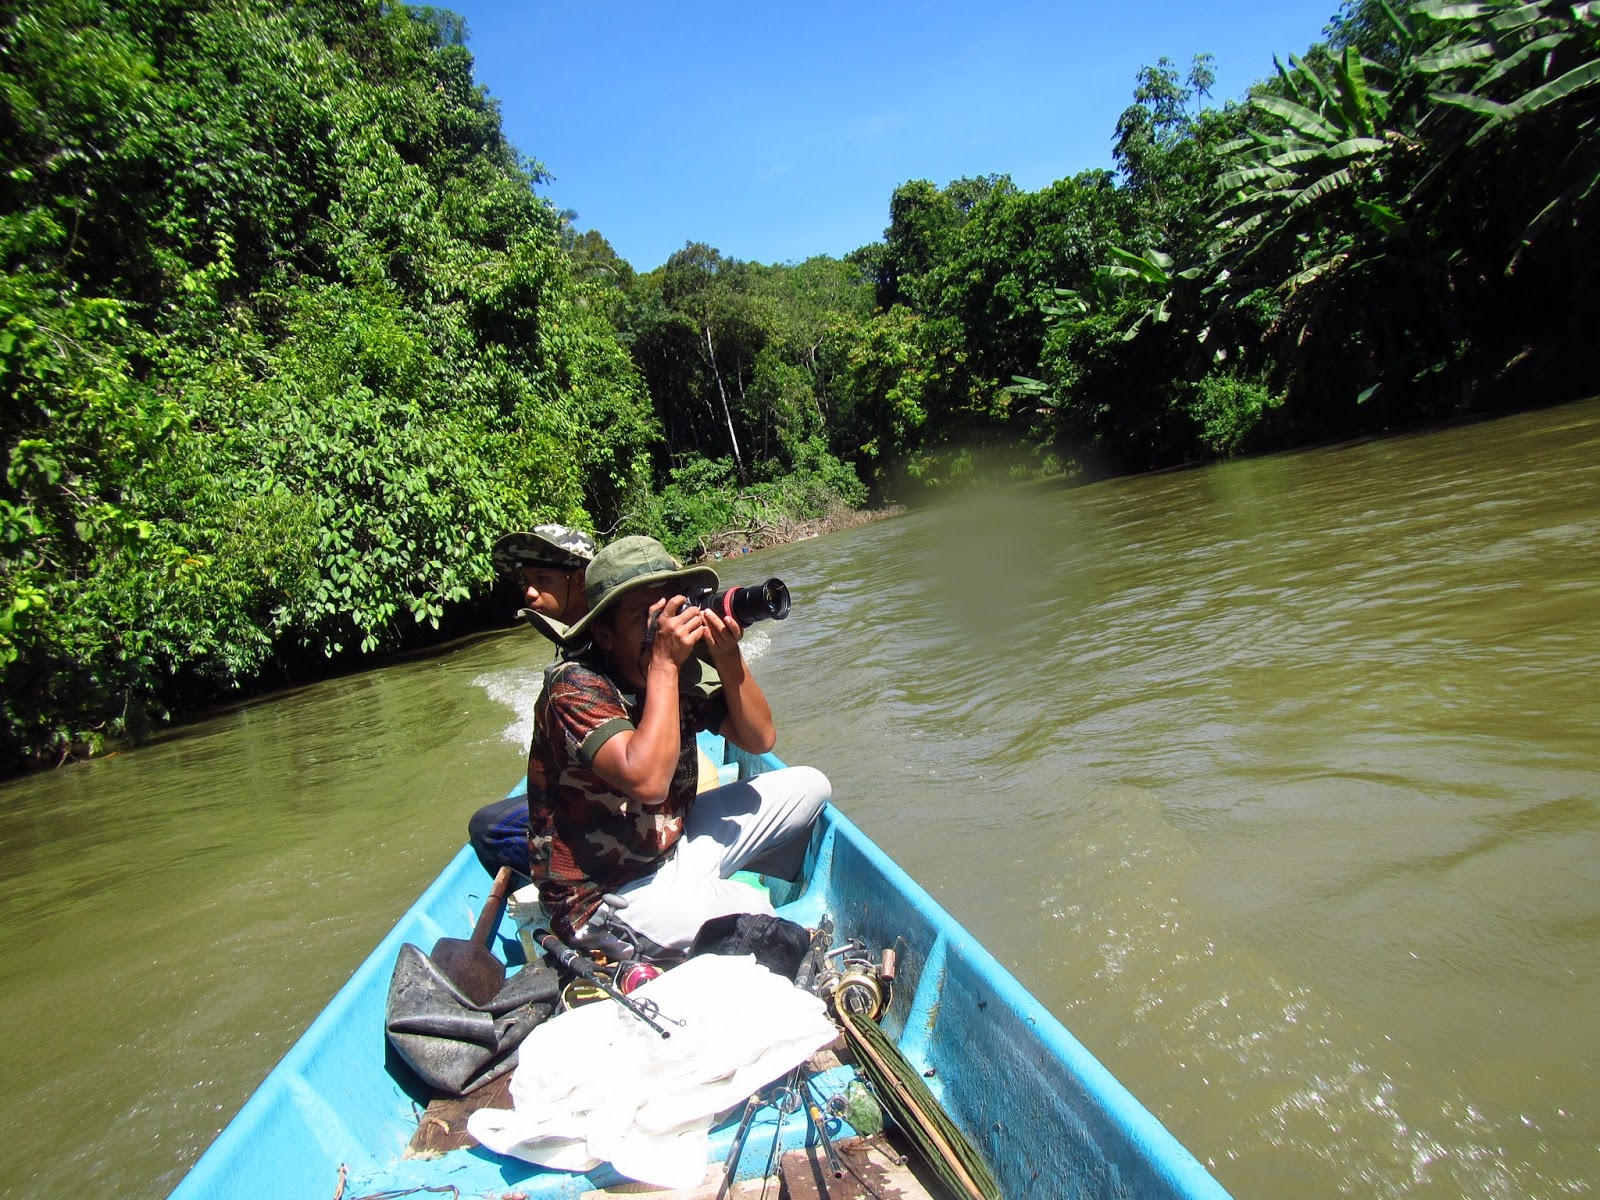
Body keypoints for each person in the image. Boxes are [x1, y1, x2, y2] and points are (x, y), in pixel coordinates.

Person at [526, 536, 829, 959]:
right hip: (605, 896)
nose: (666, 628)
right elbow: (647, 782)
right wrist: (664, 664)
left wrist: (727, 656)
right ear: (604, 632)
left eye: (673, 608)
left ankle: (699, 894)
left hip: (670, 845)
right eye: (646, 618)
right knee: (758, 914)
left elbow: (759, 738)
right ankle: (699, 903)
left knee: (811, 786)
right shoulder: (575, 687)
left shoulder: (680, 677)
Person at [469, 525, 599, 878]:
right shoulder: (586, 637)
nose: (529, 593)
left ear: (580, 579)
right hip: (602, 791)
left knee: (486, 828)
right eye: (525, 581)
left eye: (542, 579)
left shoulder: (599, 644)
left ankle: (562, 887)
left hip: (609, 806)